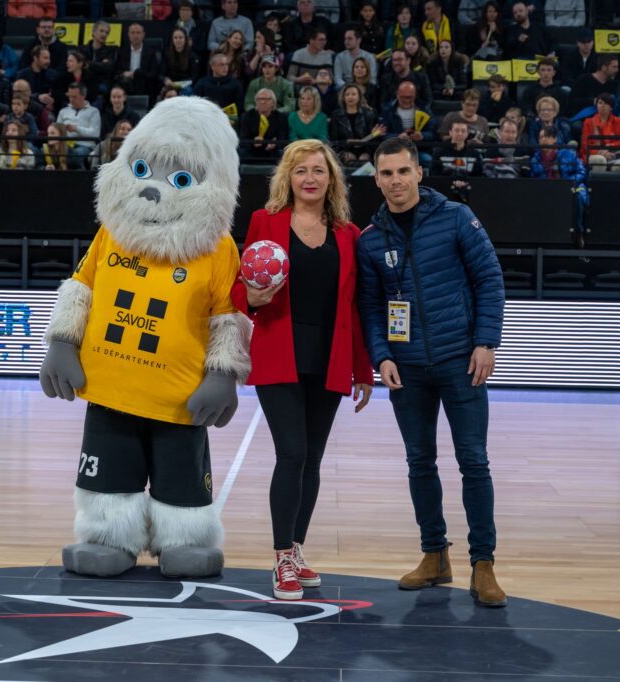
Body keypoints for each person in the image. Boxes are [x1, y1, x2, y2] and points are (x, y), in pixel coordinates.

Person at [356, 136, 506, 608]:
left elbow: (489, 278)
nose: (395, 181)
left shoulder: (457, 217)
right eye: (386, 174)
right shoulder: (370, 238)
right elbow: (371, 306)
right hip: (407, 371)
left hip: (461, 361)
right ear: (376, 178)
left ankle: (483, 564)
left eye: (403, 172)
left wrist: (485, 342)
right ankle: (435, 556)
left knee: (473, 461)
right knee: (420, 463)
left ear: (419, 172)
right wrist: (381, 356)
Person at [230, 139, 373, 601]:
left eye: (318, 170)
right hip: (279, 355)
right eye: (300, 171)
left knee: (311, 458)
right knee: (291, 453)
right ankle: (281, 559)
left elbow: (356, 307)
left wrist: (363, 370)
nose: (310, 178)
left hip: (328, 358)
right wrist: (250, 299)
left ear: (331, 179)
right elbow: (239, 289)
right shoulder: (264, 222)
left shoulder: (349, 233)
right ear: (286, 178)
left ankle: (296, 548)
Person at [531, 125, 588, 245]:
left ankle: (579, 233)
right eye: (541, 137)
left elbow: (581, 172)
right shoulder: (535, 159)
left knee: (577, 197)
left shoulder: (569, 154)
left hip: (569, 188)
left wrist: (568, 183)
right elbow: (534, 178)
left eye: (547, 136)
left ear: (554, 139)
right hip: (547, 190)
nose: (543, 140)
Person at [328, 82, 384, 165]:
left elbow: (378, 139)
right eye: (347, 94)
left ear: (359, 97)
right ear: (343, 97)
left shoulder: (370, 114)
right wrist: (347, 142)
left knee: (364, 159)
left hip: (366, 150)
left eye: (354, 94)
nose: (350, 97)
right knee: (349, 158)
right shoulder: (336, 116)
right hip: (344, 150)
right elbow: (333, 142)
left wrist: (373, 135)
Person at [580, 92, 620, 174]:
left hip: (613, 153)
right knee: (600, 160)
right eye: (600, 103)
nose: (602, 106)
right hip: (593, 153)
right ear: (596, 105)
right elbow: (585, 145)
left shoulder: (619, 121)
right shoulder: (588, 122)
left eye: (606, 103)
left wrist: (608, 147)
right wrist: (601, 152)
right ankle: (597, 186)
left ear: (611, 107)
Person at [239, 87, 288, 161]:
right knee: (241, 152)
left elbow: (283, 139)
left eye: (266, 99)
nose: (262, 102)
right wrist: (253, 143)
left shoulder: (280, 117)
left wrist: (275, 144)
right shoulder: (247, 116)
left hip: (273, 152)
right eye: (259, 99)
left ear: (273, 103)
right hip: (252, 151)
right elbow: (243, 140)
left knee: (282, 153)